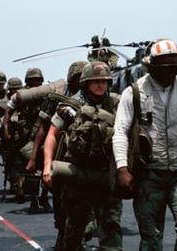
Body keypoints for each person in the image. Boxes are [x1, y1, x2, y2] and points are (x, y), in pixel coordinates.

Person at [113, 39, 177, 251]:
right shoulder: (134, 93)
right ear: (150, 67)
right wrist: (122, 168)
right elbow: (120, 132)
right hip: (148, 176)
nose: (169, 74)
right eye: (164, 68)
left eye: (173, 68)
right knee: (151, 240)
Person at [43, 61, 122, 250]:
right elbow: (52, 135)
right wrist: (47, 166)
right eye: (95, 81)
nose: (100, 85)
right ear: (85, 83)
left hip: (106, 177)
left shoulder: (117, 105)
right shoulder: (70, 105)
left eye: (104, 81)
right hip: (77, 176)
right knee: (73, 231)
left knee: (111, 230)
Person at [24, 61, 86, 248]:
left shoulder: (95, 97)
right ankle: (62, 231)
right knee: (60, 200)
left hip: (86, 157)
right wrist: (35, 158)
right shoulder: (57, 98)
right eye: (78, 77)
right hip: (61, 156)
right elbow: (43, 130)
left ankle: (79, 236)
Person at [3, 68, 44, 204]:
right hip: (24, 136)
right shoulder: (21, 95)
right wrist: (6, 130)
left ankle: (42, 197)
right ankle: (30, 197)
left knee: (45, 167)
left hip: (41, 133)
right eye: (33, 80)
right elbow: (8, 111)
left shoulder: (45, 93)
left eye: (38, 80)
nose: (35, 83)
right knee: (25, 168)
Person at [0, 76, 23, 197]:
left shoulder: (24, 100)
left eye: (18, 89)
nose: (16, 91)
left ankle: (19, 184)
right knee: (8, 161)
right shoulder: (3, 103)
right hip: (7, 137)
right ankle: (13, 181)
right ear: (9, 90)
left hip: (20, 135)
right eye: (13, 89)